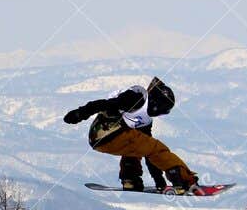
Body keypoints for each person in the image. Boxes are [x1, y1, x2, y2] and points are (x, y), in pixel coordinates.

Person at [62, 76, 199, 193]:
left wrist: (159, 181)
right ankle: (185, 182)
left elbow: (148, 152)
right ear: (155, 103)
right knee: (158, 148)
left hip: (100, 139)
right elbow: (103, 104)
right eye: (161, 110)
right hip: (109, 133)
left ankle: (130, 180)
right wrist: (79, 114)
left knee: (138, 147)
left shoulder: (145, 121)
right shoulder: (135, 98)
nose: (158, 114)